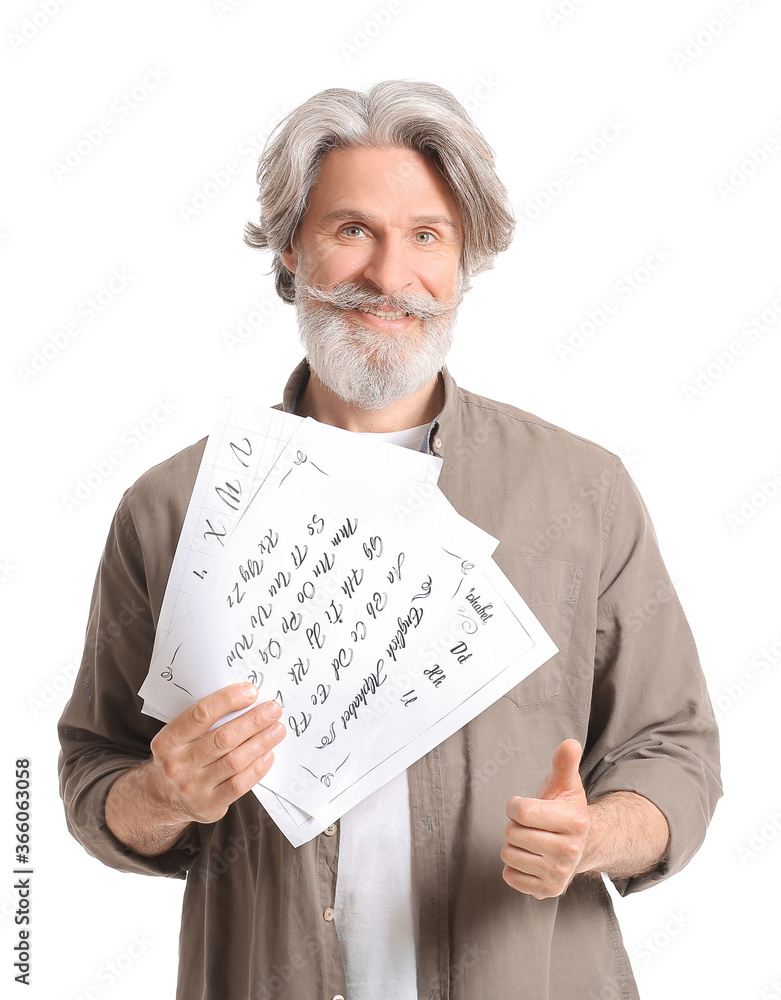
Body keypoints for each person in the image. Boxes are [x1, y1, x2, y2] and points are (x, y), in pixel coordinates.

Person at [58, 81, 722, 1000]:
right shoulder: (171, 507)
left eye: (425, 236)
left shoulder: (584, 491)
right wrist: (161, 797)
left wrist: (594, 834)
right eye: (351, 229)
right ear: (291, 248)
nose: (388, 276)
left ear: (463, 262)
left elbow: (675, 750)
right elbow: (93, 770)